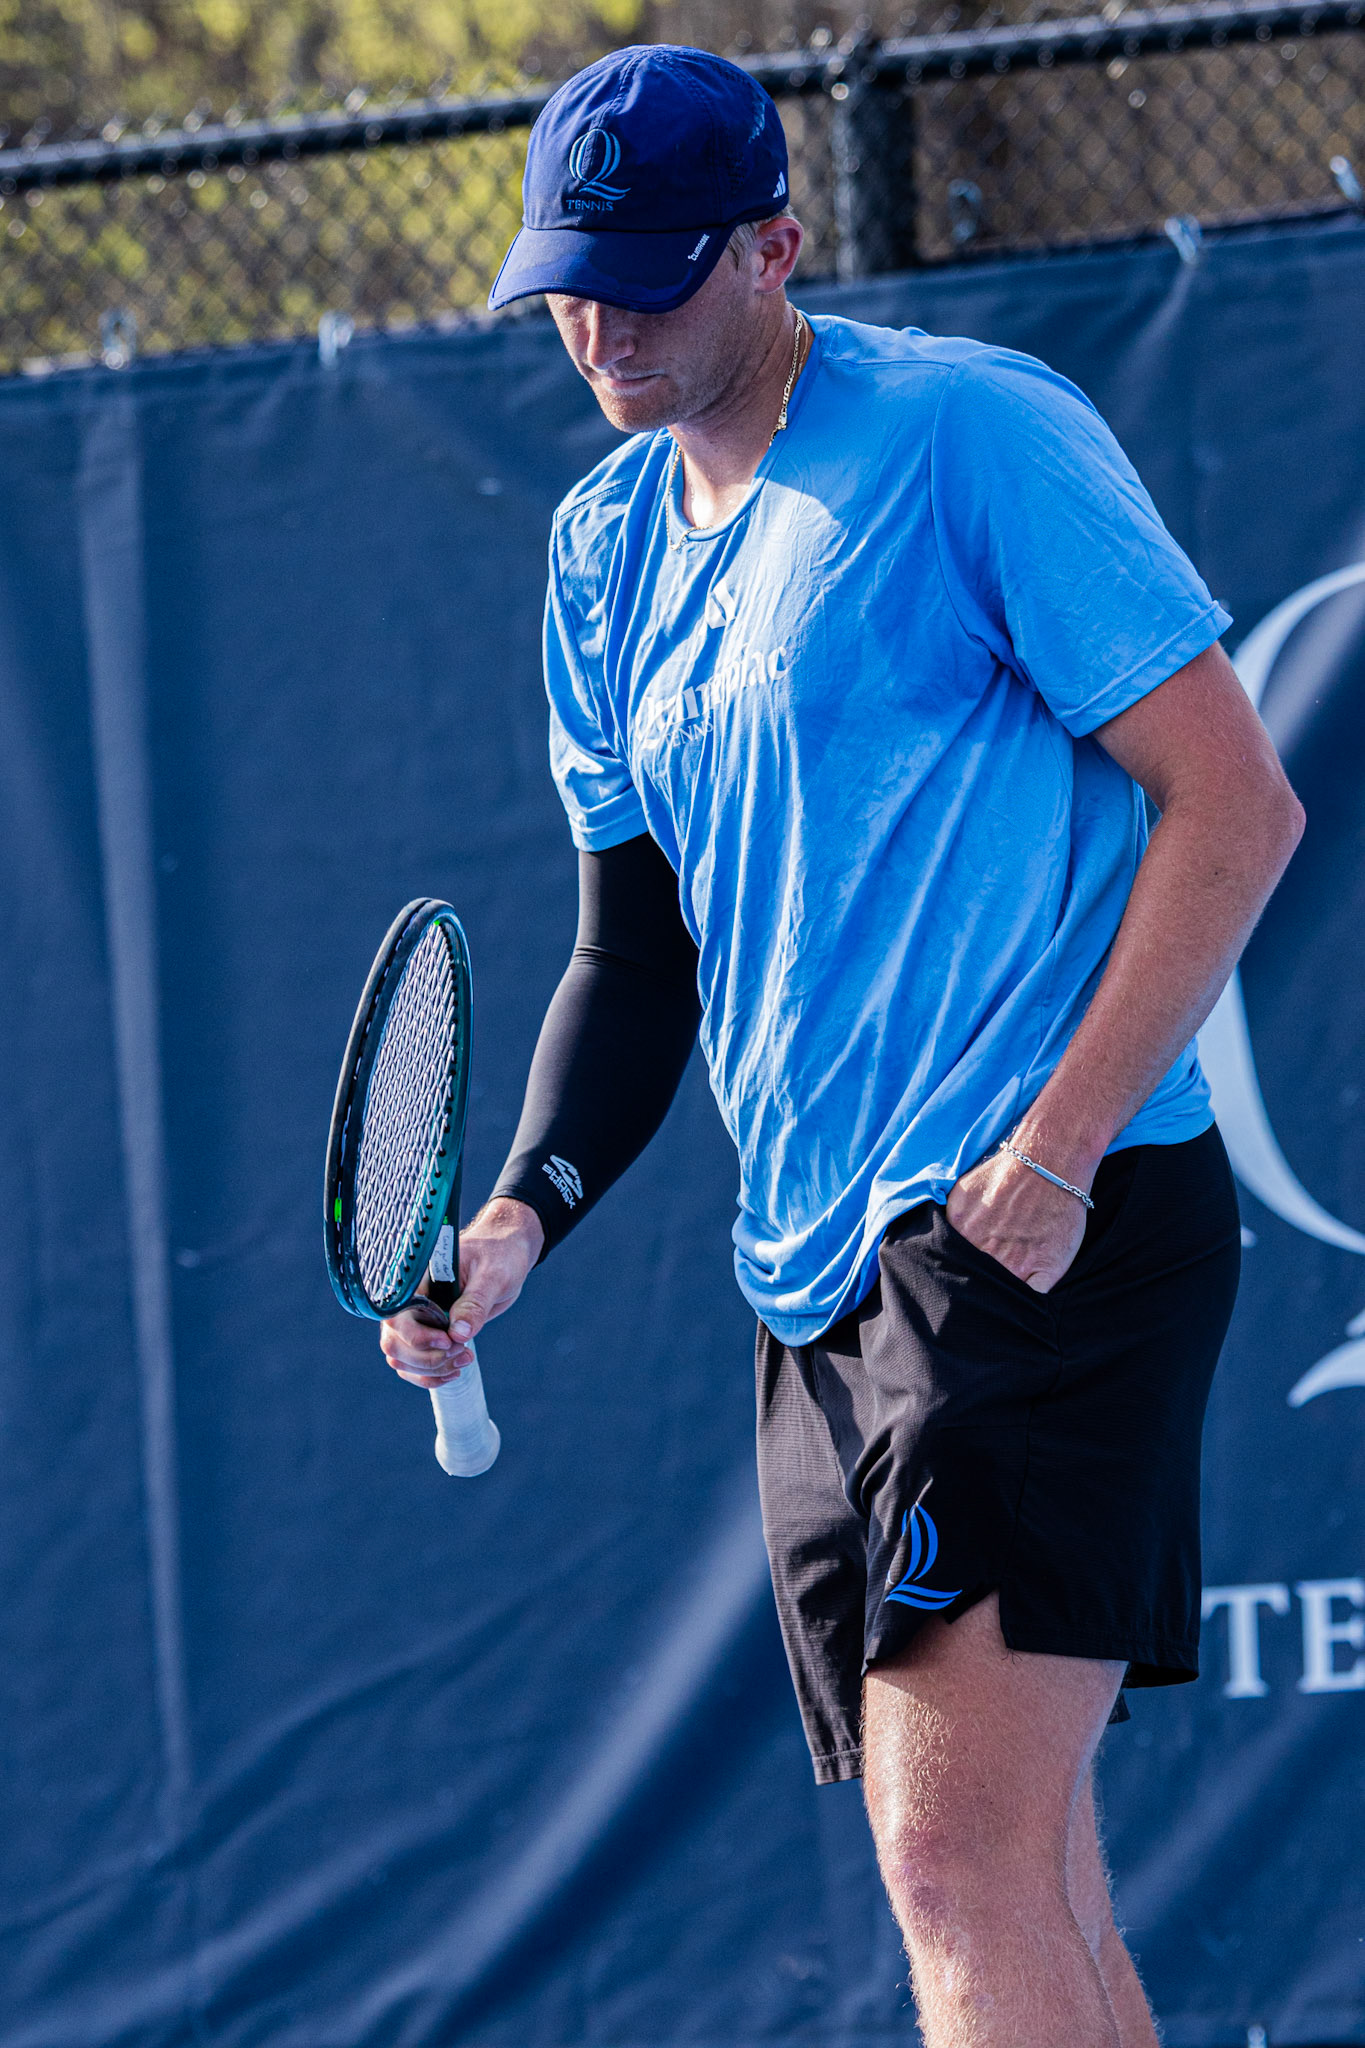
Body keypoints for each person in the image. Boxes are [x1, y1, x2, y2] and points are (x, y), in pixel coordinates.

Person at [381, 43, 1304, 2048]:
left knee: (952, 1865)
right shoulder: (598, 554)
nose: (600, 326)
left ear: (773, 248)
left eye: (646, 277)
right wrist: (523, 1213)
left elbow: (1236, 807)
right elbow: (632, 961)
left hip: (1042, 1225)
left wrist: (1053, 1151)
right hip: (812, 1280)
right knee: (1023, 1876)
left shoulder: (972, 435)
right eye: (568, 285)